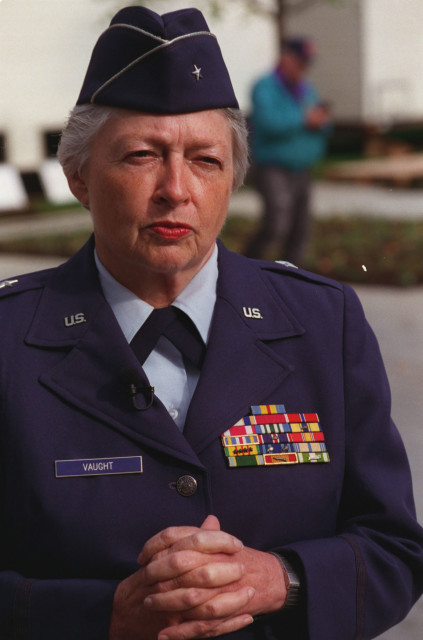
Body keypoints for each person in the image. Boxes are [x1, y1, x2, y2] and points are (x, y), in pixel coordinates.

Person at [0, 7, 422, 640]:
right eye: (142, 155)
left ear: (234, 178)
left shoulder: (321, 322)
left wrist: (285, 578)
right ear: (78, 176)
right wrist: (102, 618)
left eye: (205, 160)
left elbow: (395, 548)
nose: (176, 189)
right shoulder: (9, 340)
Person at [245, 38, 331, 265]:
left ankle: (291, 279)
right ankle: (244, 267)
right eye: (300, 62)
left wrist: (321, 121)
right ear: (286, 57)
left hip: (302, 167)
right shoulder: (265, 86)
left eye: (307, 63)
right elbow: (269, 123)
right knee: (277, 224)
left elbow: (321, 124)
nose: (304, 68)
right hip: (273, 167)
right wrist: (305, 120)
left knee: (300, 229)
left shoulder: (306, 88)